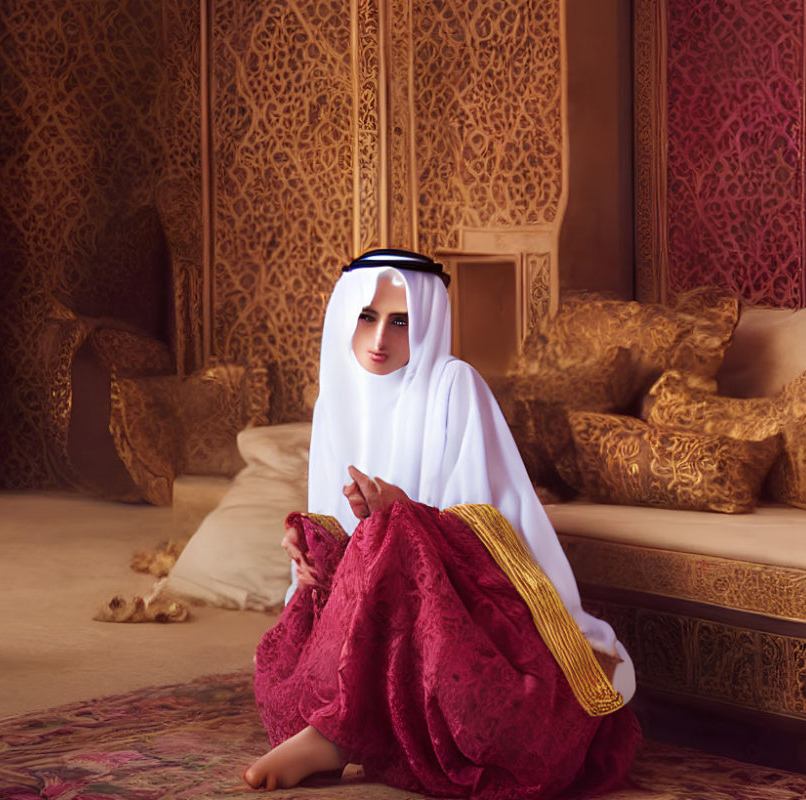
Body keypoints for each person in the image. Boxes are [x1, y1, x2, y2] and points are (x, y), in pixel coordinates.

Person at [243, 249, 641, 797]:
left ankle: (336, 737)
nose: (381, 337)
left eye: (401, 321)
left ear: (427, 322)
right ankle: (337, 727)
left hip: (456, 601)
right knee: (278, 675)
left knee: (397, 528)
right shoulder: (334, 399)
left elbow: (487, 527)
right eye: (368, 317)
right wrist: (313, 547)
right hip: (375, 602)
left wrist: (401, 511)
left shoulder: (455, 384)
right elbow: (341, 530)